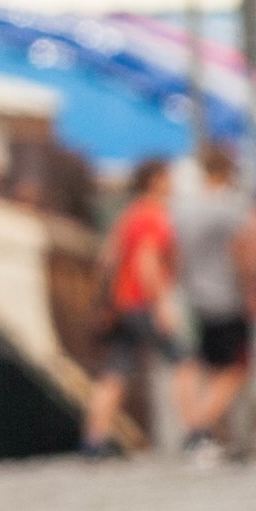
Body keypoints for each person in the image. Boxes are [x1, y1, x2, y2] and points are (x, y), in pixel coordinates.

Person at [169, 135, 256, 458]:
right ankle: (200, 426)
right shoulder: (230, 207)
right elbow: (243, 252)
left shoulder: (183, 208)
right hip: (227, 297)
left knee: (199, 364)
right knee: (237, 367)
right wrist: (252, 289)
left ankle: (203, 430)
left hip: (191, 295)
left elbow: (174, 253)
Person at [85, 155, 179, 457]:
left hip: (120, 303)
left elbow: (107, 258)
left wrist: (105, 299)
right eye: (168, 176)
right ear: (155, 180)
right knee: (182, 361)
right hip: (142, 302)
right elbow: (146, 262)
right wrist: (162, 305)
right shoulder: (153, 215)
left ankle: (94, 439)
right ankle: (197, 432)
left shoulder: (128, 214)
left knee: (115, 371)